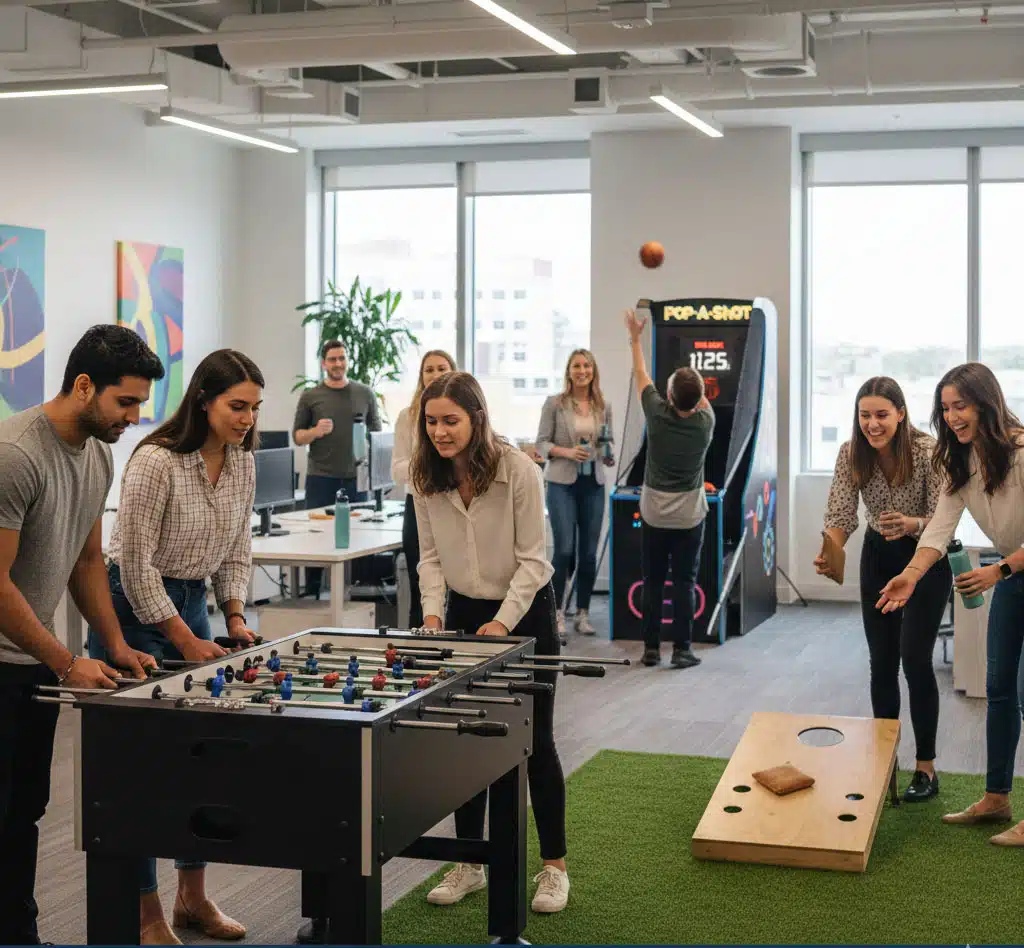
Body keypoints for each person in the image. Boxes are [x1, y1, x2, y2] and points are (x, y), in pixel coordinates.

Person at [88, 349, 264, 944]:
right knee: (139, 771)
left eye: (254, 407)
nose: (247, 418)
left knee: (201, 760)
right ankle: (146, 915)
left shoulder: (242, 462)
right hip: (132, 609)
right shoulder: (154, 461)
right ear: (204, 401)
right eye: (237, 406)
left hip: (191, 606)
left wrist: (233, 615)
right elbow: (135, 565)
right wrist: (185, 638)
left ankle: (192, 898)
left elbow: (237, 546)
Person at [0, 325, 162, 946]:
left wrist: (113, 644)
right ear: (85, 386)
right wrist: (68, 663)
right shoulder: (16, 455)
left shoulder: (98, 453)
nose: (134, 417)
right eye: (126, 402)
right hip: (11, 657)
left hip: (31, 660)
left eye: (140, 403)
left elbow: (89, 560)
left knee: (23, 813)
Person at [416, 371, 569, 914]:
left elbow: (534, 561)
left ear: (477, 419)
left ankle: (554, 868)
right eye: (431, 421)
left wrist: (504, 622)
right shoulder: (425, 477)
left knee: (536, 744)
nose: (440, 432)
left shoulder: (519, 470)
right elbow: (430, 558)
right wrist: (432, 615)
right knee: (469, 742)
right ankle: (470, 863)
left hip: (526, 611)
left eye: (450, 421)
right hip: (464, 612)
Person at [878, 363, 1024, 838]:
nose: (952, 416)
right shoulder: (959, 461)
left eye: (961, 405)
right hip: (1013, 577)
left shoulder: (1021, 452)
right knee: (998, 688)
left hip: (1010, 570)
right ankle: (996, 799)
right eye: (945, 408)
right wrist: (910, 575)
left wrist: (998, 571)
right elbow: (940, 527)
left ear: (986, 403)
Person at [815, 377, 951, 802]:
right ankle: (884, 764)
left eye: (881, 415)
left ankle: (925, 768)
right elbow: (840, 513)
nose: (872, 424)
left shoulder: (928, 452)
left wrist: (912, 524)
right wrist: (831, 550)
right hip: (878, 557)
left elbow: (944, 518)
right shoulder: (850, 452)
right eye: (865, 415)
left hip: (926, 558)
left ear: (901, 414)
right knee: (883, 662)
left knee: (915, 661)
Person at [625, 308, 714, 669]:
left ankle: (650, 650)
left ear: (669, 396)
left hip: (654, 514)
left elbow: (641, 374)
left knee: (653, 581)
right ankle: (682, 650)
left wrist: (635, 338)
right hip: (689, 516)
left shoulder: (656, 415)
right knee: (684, 584)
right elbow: (700, 398)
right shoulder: (706, 422)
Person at [293, 339, 381, 596]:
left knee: (360, 536)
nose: (338, 363)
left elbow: (377, 435)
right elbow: (297, 436)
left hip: (356, 479)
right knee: (315, 537)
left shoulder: (365, 393)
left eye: (342, 358)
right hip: (321, 478)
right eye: (332, 359)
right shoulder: (311, 396)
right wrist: (315, 431)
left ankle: (358, 595)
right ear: (324, 363)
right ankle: (311, 593)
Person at [536, 349, 615, 637]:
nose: (582, 371)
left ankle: (583, 613)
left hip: (593, 483)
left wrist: (607, 454)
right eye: (577, 366)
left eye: (587, 366)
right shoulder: (555, 404)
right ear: (569, 371)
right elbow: (541, 443)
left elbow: (607, 441)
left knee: (589, 553)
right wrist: (568, 452)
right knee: (564, 550)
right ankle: (556, 613)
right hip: (561, 483)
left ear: (593, 371)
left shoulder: (603, 405)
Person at [391, 349, 456, 629]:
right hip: (418, 505)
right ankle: (419, 642)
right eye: (429, 369)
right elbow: (397, 470)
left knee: (455, 583)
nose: (435, 374)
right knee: (422, 583)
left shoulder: (463, 416)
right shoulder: (408, 417)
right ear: (421, 376)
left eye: (442, 368)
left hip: (455, 504)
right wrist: (429, 467)